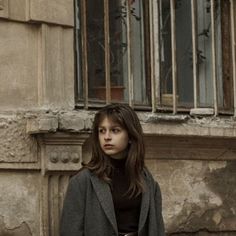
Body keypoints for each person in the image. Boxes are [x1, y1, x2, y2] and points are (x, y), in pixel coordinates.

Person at [60, 103, 165, 236]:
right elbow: (70, 231)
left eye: (115, 130)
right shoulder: (82, 182)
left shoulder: (146, 179)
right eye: (102, 130)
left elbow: (157, 228)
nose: (107, 137)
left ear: (131, 136)